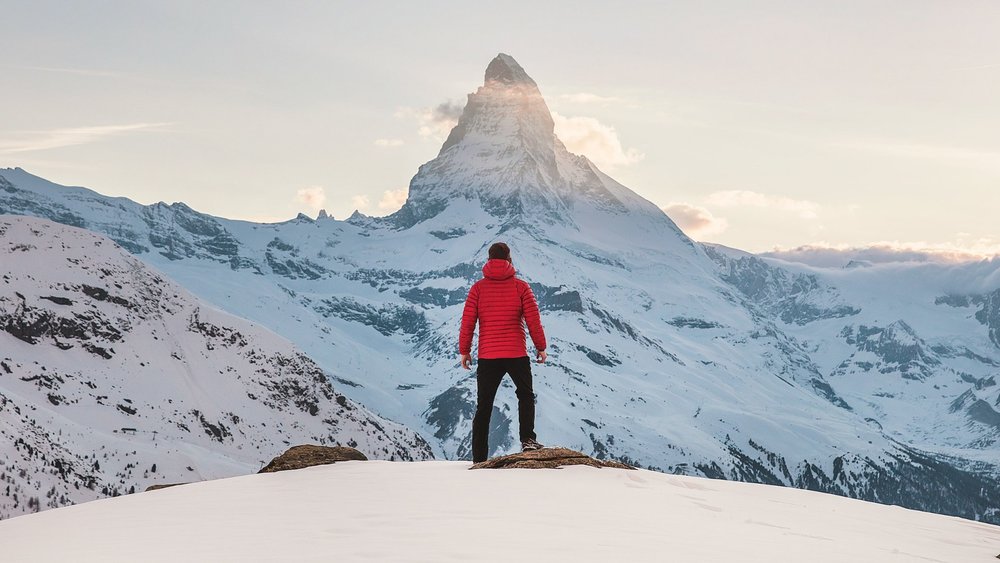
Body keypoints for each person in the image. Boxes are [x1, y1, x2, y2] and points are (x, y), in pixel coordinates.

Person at [459, 242, 548, 463]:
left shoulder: (477, 288)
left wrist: (465, 351)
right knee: (525, 395)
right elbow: (533, 320)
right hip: (516, 353)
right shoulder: (521, 287)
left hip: (488, 356)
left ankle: (479, 457)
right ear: (509, 260)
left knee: (484, 405)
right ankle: (528, 439)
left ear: (488, 260)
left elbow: (468, 322)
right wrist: (541, 347)